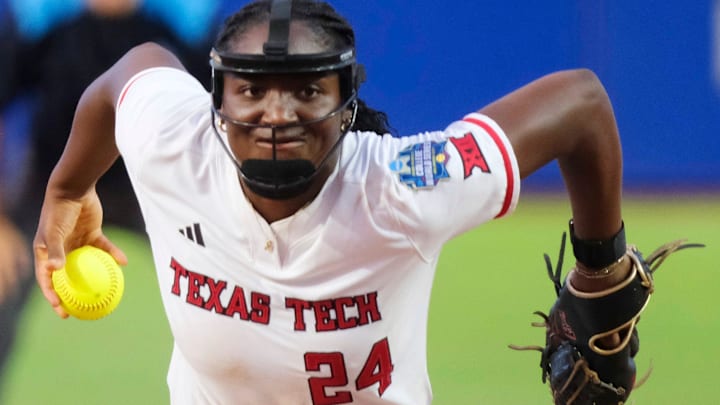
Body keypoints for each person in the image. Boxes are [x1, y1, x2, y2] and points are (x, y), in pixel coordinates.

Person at [31, 0, 683, 403]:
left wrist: (600, 272)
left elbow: (583, 103)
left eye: (306, 90)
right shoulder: (177, 141)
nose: (275, 113)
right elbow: (131, 71)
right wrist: (68, 186)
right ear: (217, 100)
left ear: (346, 106)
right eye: (251, 91)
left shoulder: (400, 186)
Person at [0, 0, 213, 377]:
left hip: (150, 191)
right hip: (52, 191)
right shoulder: (45, 24)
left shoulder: (178, 29)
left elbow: (222, 117)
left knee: (225, 279)